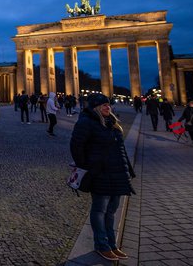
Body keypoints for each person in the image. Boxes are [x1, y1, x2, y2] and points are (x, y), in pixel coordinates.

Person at [70, 93, 135, 261]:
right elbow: (76, 146)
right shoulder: (86, 122)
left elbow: (120, 149)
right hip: (100, 174)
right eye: (104, 105)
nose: (108, 107)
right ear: (95, 107)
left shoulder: (112, 123)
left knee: (111, 211)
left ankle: (112, 245)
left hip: (117, 172)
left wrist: (128, 169)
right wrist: (89, 167)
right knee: (100, 210)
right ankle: (102, 245)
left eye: (108, 104)